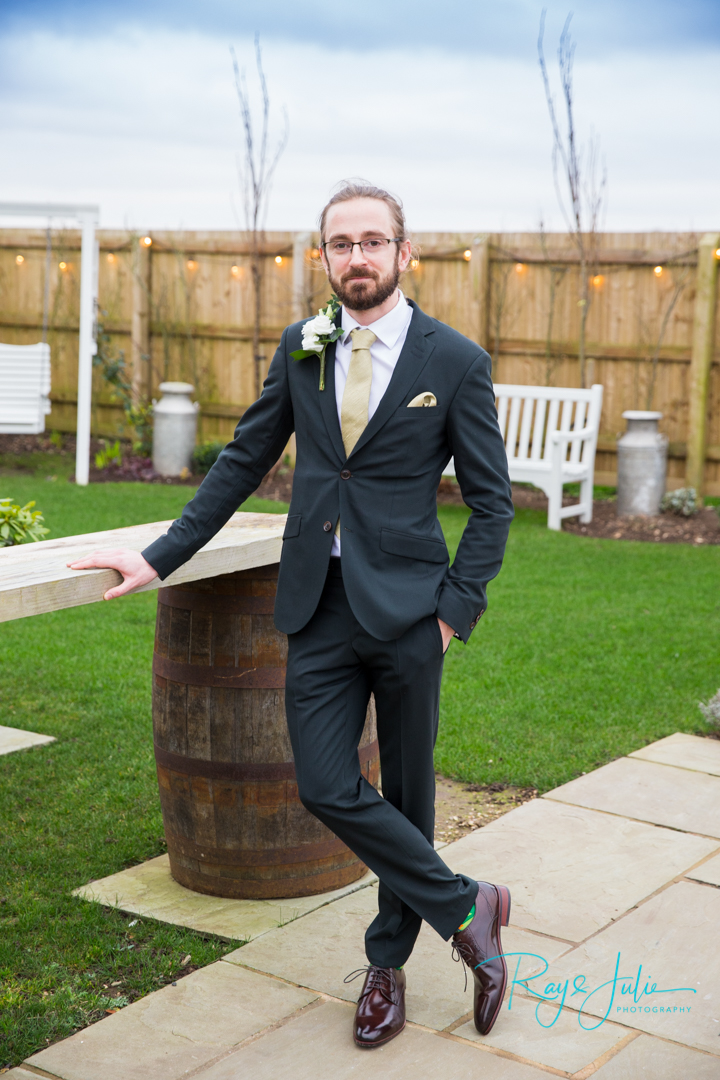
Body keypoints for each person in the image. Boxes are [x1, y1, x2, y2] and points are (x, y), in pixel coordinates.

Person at [69, 182, 514, 1049]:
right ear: (323, 257)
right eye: (339, 243)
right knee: (323, 784)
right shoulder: (301, 347)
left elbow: (493, 506)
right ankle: (469, 905)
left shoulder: (454, 361)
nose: (356, 257)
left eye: (372, 242)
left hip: (413, 614)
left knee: (408, 795)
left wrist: (454, 613)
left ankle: (387, 967)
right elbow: (243, 459)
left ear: (403, 253)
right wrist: (158, 556)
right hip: (316, 607)